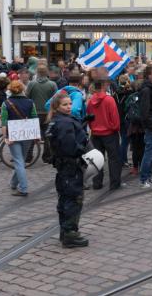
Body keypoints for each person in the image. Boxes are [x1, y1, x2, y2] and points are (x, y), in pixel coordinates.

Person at [46, 93, 89, 247]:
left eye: (70, 103)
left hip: (64, 167)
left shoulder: (57, 121)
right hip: (71, 166)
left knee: (65, 199)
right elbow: (70, 146)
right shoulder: (64, 122)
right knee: (73, 199)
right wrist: (83, 150)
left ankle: (65, 232)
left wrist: (83, 124)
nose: (69, 106)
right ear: (57, 107)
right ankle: (70, 234)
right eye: (65, 104)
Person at [0, 80, 39, 196]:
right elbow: (34, 117)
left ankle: (23, 188)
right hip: (27, 134)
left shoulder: (6, 103)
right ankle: (13, 183)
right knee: (20, 159)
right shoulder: (30, 102)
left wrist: (4, 137)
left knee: (18, 161)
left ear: (10, 90)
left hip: (13, 134)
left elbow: (4, 122)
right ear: (22, 89)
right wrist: (36, 135)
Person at [86, 78, 122, 191]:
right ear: (103, 86)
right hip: (110, 133)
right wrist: (114, 128)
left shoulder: (91, 100)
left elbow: (89, 118)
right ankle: (114, 184)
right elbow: (115, 119)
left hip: (96, 134)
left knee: (97, 160)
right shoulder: (109, 100)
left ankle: (97, 183)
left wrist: (93, 128)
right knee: (114, 159)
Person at [26, 64, 58, 164]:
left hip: (34, 113)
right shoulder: (52, 84)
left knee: (31, 136)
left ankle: (28, 156)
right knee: (47, 136)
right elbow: (56, 99)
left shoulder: (32, 84)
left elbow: (27, 97)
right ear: (47, 73)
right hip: (48, 114)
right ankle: (47, 157)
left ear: (37, 73)